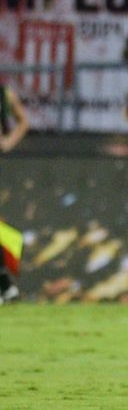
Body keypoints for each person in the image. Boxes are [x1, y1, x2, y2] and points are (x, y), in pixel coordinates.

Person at [1, 83, 29, 304]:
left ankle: (5, 285)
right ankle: (5, 286)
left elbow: (23, 121)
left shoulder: (5, 92)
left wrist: (8, 142)